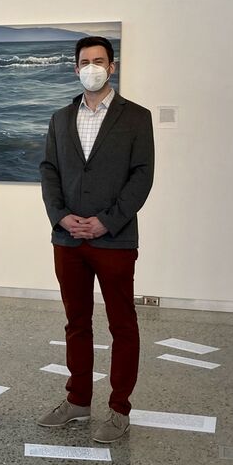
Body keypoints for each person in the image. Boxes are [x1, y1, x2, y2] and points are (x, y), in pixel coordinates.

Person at [36, 36, 154, 443]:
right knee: (76, 323)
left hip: (114, 239)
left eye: (99, 61)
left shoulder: (137, 118)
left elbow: (142, 177)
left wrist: (107, 221)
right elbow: (49, 171)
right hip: (68, 240)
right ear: (75, 69)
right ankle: (78, 402)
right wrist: (60, 216)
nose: (92, 67)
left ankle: (119, 409)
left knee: (122, 324)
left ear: (112, 66)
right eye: (85, 61)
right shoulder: (59, 118)